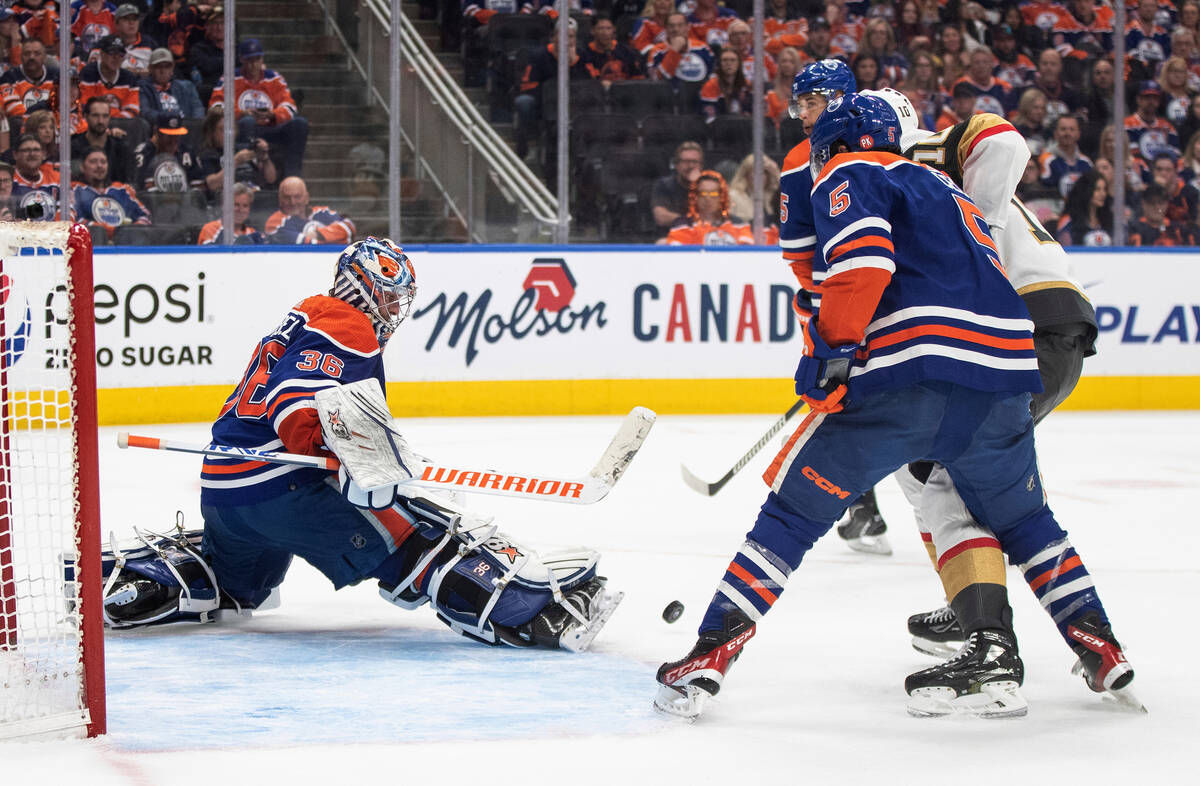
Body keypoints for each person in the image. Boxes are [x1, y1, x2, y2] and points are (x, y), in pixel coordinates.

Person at [654, 93, 1137, 721]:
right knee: (1026, 521)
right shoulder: (955, 193)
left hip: (912, 377)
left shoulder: (857, 173)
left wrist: (828, 355)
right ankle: (1098, 642)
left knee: (791, 517)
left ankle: (710, 655)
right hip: (1002, 380)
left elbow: (862, 270)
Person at [96, 238, 621, 655]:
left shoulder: (308, 313)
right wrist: (366, 462)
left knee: (237, 583)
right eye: (389, 295)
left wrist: (363, 448)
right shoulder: (350, 326)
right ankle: (534, 612)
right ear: (363, 289)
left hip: (227, 495)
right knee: (420, 535)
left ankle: (131, 585)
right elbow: (294, 405)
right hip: (285, 490)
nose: (395, 308)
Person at [779, 59, 890, 553]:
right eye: (800, 101)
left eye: (813, 100)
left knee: (862, 401)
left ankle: (867, 509)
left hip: (872, 294)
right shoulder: (801, 161)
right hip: (870, 295)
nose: (804, 112)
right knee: (860, 401)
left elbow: (802, 252)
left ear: (842, 98)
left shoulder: (868, 148)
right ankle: (864, 508)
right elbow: (802, 250)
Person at [209, 38, 309, 178]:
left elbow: (290, 106)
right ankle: (247, 173)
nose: (253, 65)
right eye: (249, 60)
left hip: (270, 127)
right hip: (241, 128)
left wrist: (272, 114)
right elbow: (216, 105)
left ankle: (293, 178)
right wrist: (240, 113)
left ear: (262, 59)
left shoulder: (274, 78)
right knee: (248, 121)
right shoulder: (230, 78)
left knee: (300, 124)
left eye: (257, 59)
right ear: (241, 60)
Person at [72, 145, 151, 237]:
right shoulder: (75, 190)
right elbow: (73, 221)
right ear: (82, 167)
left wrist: (130, 231)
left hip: (125, 246)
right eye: (93, 162)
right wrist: (109, 230)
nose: (99, 166)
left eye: (103, 162)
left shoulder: (122, 190)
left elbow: (145, 216)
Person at [197, 105, 276, 198]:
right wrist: (235, 162)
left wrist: (265, 159)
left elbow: (271, 179)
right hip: (229, 202)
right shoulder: (208, 154)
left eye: (232, 128)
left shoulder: (244, 148)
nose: (229, 133)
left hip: (256, 198)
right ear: (212, 132)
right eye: (223, 129)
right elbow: (212, 185)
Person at [662, 170, 755, 245]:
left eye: (714, 194)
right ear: (695, 197)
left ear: (721, 197)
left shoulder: (737, 224)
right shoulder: (684, 224)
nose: (708, 198)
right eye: (703, 193)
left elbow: (747, 253)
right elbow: (677, 254)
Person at [264, 175, 354, 244]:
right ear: (280, 199)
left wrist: (318, 234)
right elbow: (305, 246)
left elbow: (349, 227)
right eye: (287, 197)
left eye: (297, 197)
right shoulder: (275, 223)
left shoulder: (322, 212)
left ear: (306, 198)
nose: (292, 202)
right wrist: (336, 237)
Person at [71, 95, 136, 184]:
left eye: (105, 116)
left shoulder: (121, 149)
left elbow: (129, 184)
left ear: (110, 118)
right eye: (95, 115)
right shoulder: (72, 147)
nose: (100, 121)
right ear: (86, 116)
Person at [134, 112, 204, 191]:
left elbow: (199, 187)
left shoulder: (187, 153)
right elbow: (140, 187)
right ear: (156, 132)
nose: (173, 141)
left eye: (177, 135)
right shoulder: (143, 154)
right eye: (169, 136)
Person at [78, 34, 142, 119]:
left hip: (120, 123)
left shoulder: (129, 78)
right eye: (112, 52)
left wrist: (115, 122)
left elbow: (132, 110)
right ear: (102, 54)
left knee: (141, 124)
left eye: (120, 54)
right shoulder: (88, 73)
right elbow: (84, 106)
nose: (116, 58)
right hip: (95, 123)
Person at [139, 46, 203, 127]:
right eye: (158, 67)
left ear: (172, 68)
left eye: (167, 66)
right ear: (150, 69)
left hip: (186, 127)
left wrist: (193, 125)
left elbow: (198, 109)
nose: (163, 71)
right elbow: (146, 112)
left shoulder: (187, 86)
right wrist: (169, 121)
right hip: (159, 127)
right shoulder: (143, 88)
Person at [645, 10, 713, 85]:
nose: (676, 29)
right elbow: (656, 79)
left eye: (680, 25)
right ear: (666, 29)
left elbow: (713, 76)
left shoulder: (702, 48)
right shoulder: (656, 51)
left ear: (688, 27)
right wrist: (674, 50)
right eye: (671, 26)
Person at [0, 36, 57, 124]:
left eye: (37, 53)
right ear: (21, 56)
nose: (31, 57)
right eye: (27, 53)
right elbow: (15, 111)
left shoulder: (56, 76)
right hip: (24, 130)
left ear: (45, 57)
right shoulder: (9, 77)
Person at [650, 140, 703, 228]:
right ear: (677, 165)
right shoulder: (664, 185)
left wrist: (697, 186)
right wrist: (690, 221)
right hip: (671, 236)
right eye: (686, 161)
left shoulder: (709, 186)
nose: (691, 166)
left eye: (694, 162)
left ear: (701, 166)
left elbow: (715, 217)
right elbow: (660, 217)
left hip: (702, 237)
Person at [580, 13, 644, 86]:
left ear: (614, 30)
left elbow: (639, 80)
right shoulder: (585, 56)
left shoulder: (627, 52)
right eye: (601, 28)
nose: (605, 33)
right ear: (593, 31)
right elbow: (590, 83)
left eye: (608, 28)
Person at [1038, 114, 1092, 198]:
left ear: (1078, 134)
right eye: (1063, 129)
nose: (1067, 133)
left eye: (1072, 129)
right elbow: (1045, 188)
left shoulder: (1086, 162)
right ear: (1055, 133)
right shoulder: (1045, 159)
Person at [1056, 167, 1113, 246]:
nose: (1103, 194)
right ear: (1086, 190)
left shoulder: (1107, 219)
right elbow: (1065, 250)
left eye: (1104, 189)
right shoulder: (1068, 221)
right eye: (1097, 189)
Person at [197, 181, 265, 244]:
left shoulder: (253, 234)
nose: (241, 210)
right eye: (236, 205)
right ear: (224, 206)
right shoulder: (210, 229)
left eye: (245, 206)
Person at [10, 132, 58, 219]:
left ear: (43, 154)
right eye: (26, 150)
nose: (32, 154)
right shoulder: (7, 180)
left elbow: (68, 209)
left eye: (36, 150)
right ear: (15, 154)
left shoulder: (56, 179)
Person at [727, 152, 781, 228]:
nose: (759, 176)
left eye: (764, 172)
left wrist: (776, 173)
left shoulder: (772, 196)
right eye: (755, 171)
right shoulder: (733, 196)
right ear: (746, 174)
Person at [699, 47, 751, 121]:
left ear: (739, 63)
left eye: (733, 60)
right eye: (724, 60)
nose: (729, 63)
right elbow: (710, 118)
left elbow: (751, 111)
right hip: (719, 127)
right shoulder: (710, 85)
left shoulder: (746, 84)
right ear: (719, 64)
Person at [109, 3, 157, 78]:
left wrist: (144, 72)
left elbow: (163, 69)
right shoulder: (106, 44)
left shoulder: (150, 43)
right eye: (126, 19)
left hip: (145, 86)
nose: (131, 23)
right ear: (116, 24)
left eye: (134, 19)